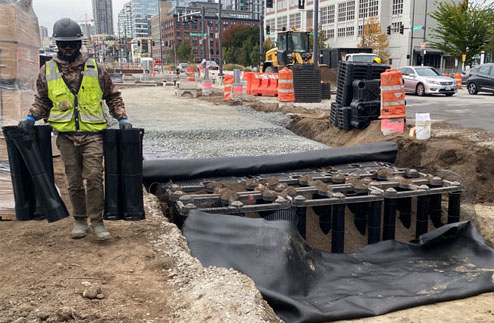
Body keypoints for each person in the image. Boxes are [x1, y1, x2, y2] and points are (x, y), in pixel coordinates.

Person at [18, 18, 132, 240]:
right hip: (66, 136)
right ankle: (80, 221)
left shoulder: (95, 68)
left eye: (72, 44)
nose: (68, 48)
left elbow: (113, 96)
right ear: (57, 44)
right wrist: (31, 116)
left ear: (79, 44)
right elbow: (43, 100)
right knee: (73, 181)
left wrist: (122, 118)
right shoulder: (47, 71)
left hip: (93, 135)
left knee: (94, 178)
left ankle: (97, 222)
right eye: (64, 44)